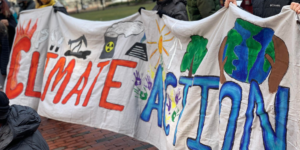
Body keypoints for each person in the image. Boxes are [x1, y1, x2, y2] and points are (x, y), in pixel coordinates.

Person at [225, 0, 300, 17]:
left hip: (282, 48)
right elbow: (254, 19)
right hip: (261, 47)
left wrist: (297, 9)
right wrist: (235, 8)